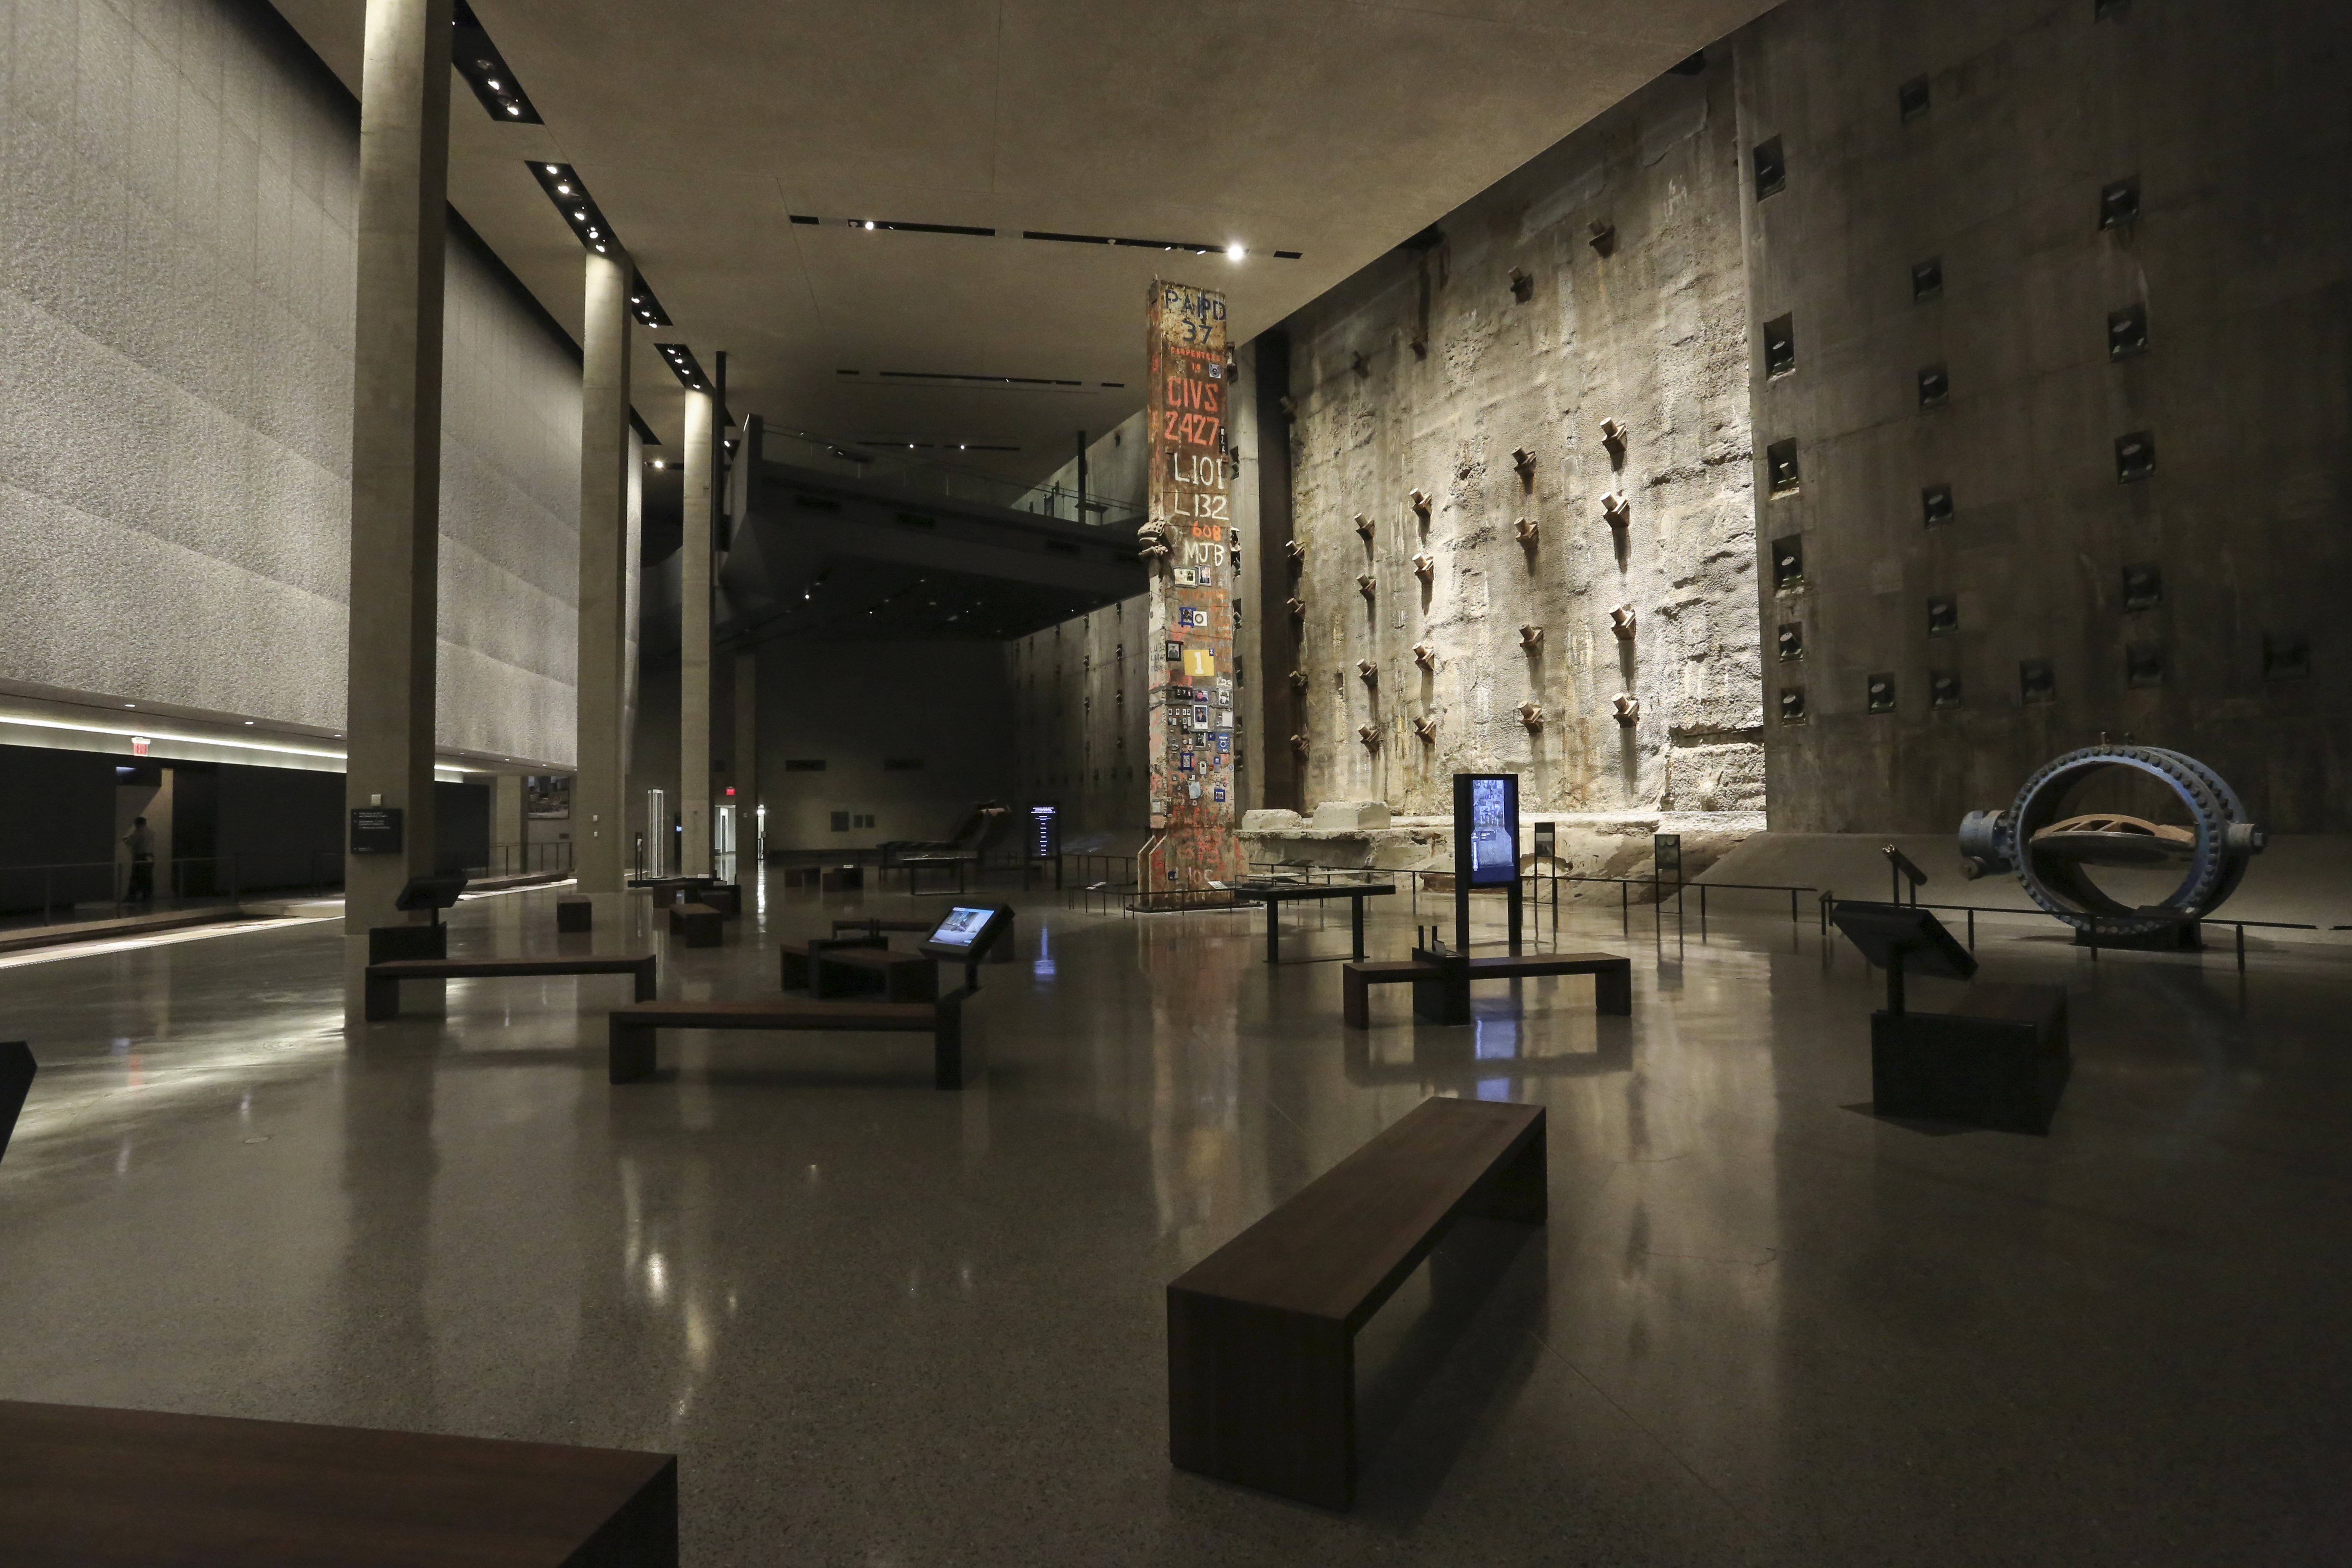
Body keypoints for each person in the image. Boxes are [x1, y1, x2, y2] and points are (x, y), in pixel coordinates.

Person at [123, 816, 156, 904]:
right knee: (148, 877)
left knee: (136, 876)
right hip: (150, 857)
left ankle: (133, 896)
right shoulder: (150, 832)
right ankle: (147, 896)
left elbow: (131, 843)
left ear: (137, 824)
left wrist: (125, 840)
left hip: (140, 856)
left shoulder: (138, 832)